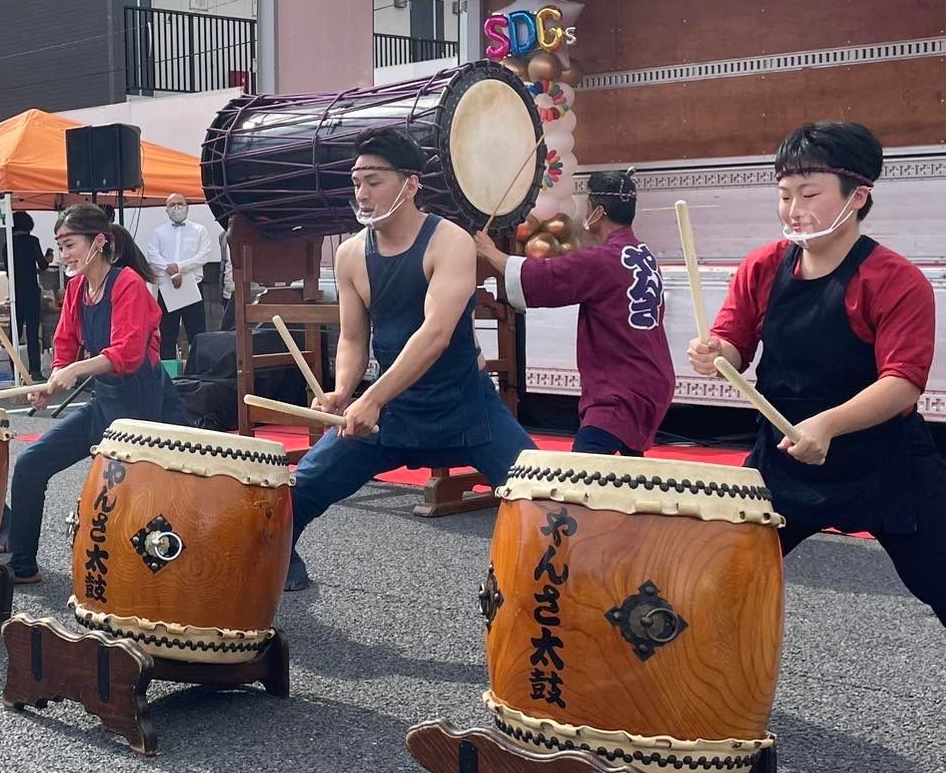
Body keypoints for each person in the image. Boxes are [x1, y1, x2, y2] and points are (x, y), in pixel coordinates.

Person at [687, 120, 946, 773]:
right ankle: (695, 705)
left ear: (858, 195)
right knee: (714, 586)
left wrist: (826, 425)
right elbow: (733, 342)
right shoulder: (764, 267)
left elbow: (902, 383)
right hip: (784, 464)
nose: (793, 208)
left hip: (889, 466)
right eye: (785, 193)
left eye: (809, 193)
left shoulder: (893, 279)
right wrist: (716, 355)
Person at [285, 128, 536, 591]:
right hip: (394, 411)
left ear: (411, 183)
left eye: (374, 180)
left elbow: (436, 334)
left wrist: (372, 398)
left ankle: (554, 591)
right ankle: (278, 564)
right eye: (357, 181)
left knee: (544, 496)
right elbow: (354, 340)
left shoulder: (449, 240)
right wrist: (343, 391)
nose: (362, 192)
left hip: (464, 404)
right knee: (297, 492)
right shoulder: (349, 254)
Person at [1, 202, 189, 584]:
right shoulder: (75, 289)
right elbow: (65, 345)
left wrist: (73, 370)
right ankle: (22, 565)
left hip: (147, 408)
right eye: (61, 245)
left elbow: (127, 354)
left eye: (70, 244)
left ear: (99, 242)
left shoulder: (129, 284)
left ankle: (155, 577)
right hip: (106, 402)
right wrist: (51, 384)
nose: (64, 254)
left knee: (147, 497)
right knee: (30, 465)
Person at [473, 169, 673, 455]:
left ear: (599, 211)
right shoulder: (643, 254)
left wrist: (491, 252)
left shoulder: (604, 260)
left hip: (621, 388)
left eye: (588, 205)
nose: (584, 212)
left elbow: (546, 275)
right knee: (629, 470)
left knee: (582, 472)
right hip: (651, 377)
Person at [145, 192, 211, 361]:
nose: (176, 208)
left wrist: (180, 267)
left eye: (180, 204)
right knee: (167, 333)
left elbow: (203, 255)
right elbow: (153, 254)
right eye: (172, 205)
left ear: (187, 207)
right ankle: (168, 372)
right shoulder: (159, 232)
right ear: (166, 210)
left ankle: (199, 369)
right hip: (167, 287)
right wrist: (171, 271)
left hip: (193, 286)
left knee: (197, 333)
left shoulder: (199, 230)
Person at [9, 211, 52, 380]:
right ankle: (35, 370)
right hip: (31, 291)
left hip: (15, 293)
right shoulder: (32, 242)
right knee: (33, 332)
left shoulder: (8, 244)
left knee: (15, 333)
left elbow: (9, 270)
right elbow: (42, 264)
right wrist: (48, 258)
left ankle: (15, 373)